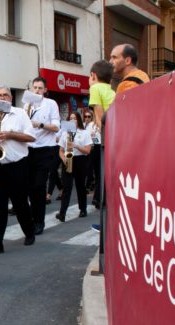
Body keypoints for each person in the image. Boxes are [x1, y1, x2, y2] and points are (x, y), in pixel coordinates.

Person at [0, 86, 36, 256]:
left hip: (17, 165)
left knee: (20, 204)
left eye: (5, 95)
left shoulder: (20, 114)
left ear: (11, 98)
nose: (2, 98)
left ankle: (29, 232)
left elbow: (31, 137)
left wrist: (10, 135)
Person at [25, 77, 60, 235]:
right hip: (29, 149)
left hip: (45, 149)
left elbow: (56, 127)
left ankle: (39, 221)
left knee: (39, 186)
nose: (37, 90)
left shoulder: (51, 104)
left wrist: (39, 124)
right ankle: (33, 218)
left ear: (45, 90)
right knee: (30, 187)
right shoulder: (26, 105)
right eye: (35, 88)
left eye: (40, 88)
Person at [88, 60, 116, 209]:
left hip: (109, 136)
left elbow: (100, 117)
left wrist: (103, 137)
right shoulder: (110, 90)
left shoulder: (95, 88)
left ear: (93, 75)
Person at [55, 111, 92, 222]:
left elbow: (87, 150)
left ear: (78, 120)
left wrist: (75, 145)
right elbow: (61, 150)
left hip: (80, 160)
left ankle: (83, 209)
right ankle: (62, 213)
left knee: (80, 186)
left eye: (74, 118)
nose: (72, 120)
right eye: (70, 118)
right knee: (67, 187)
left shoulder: (84, 133)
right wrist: (64, 159)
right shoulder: (65, 133)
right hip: (68, 160)